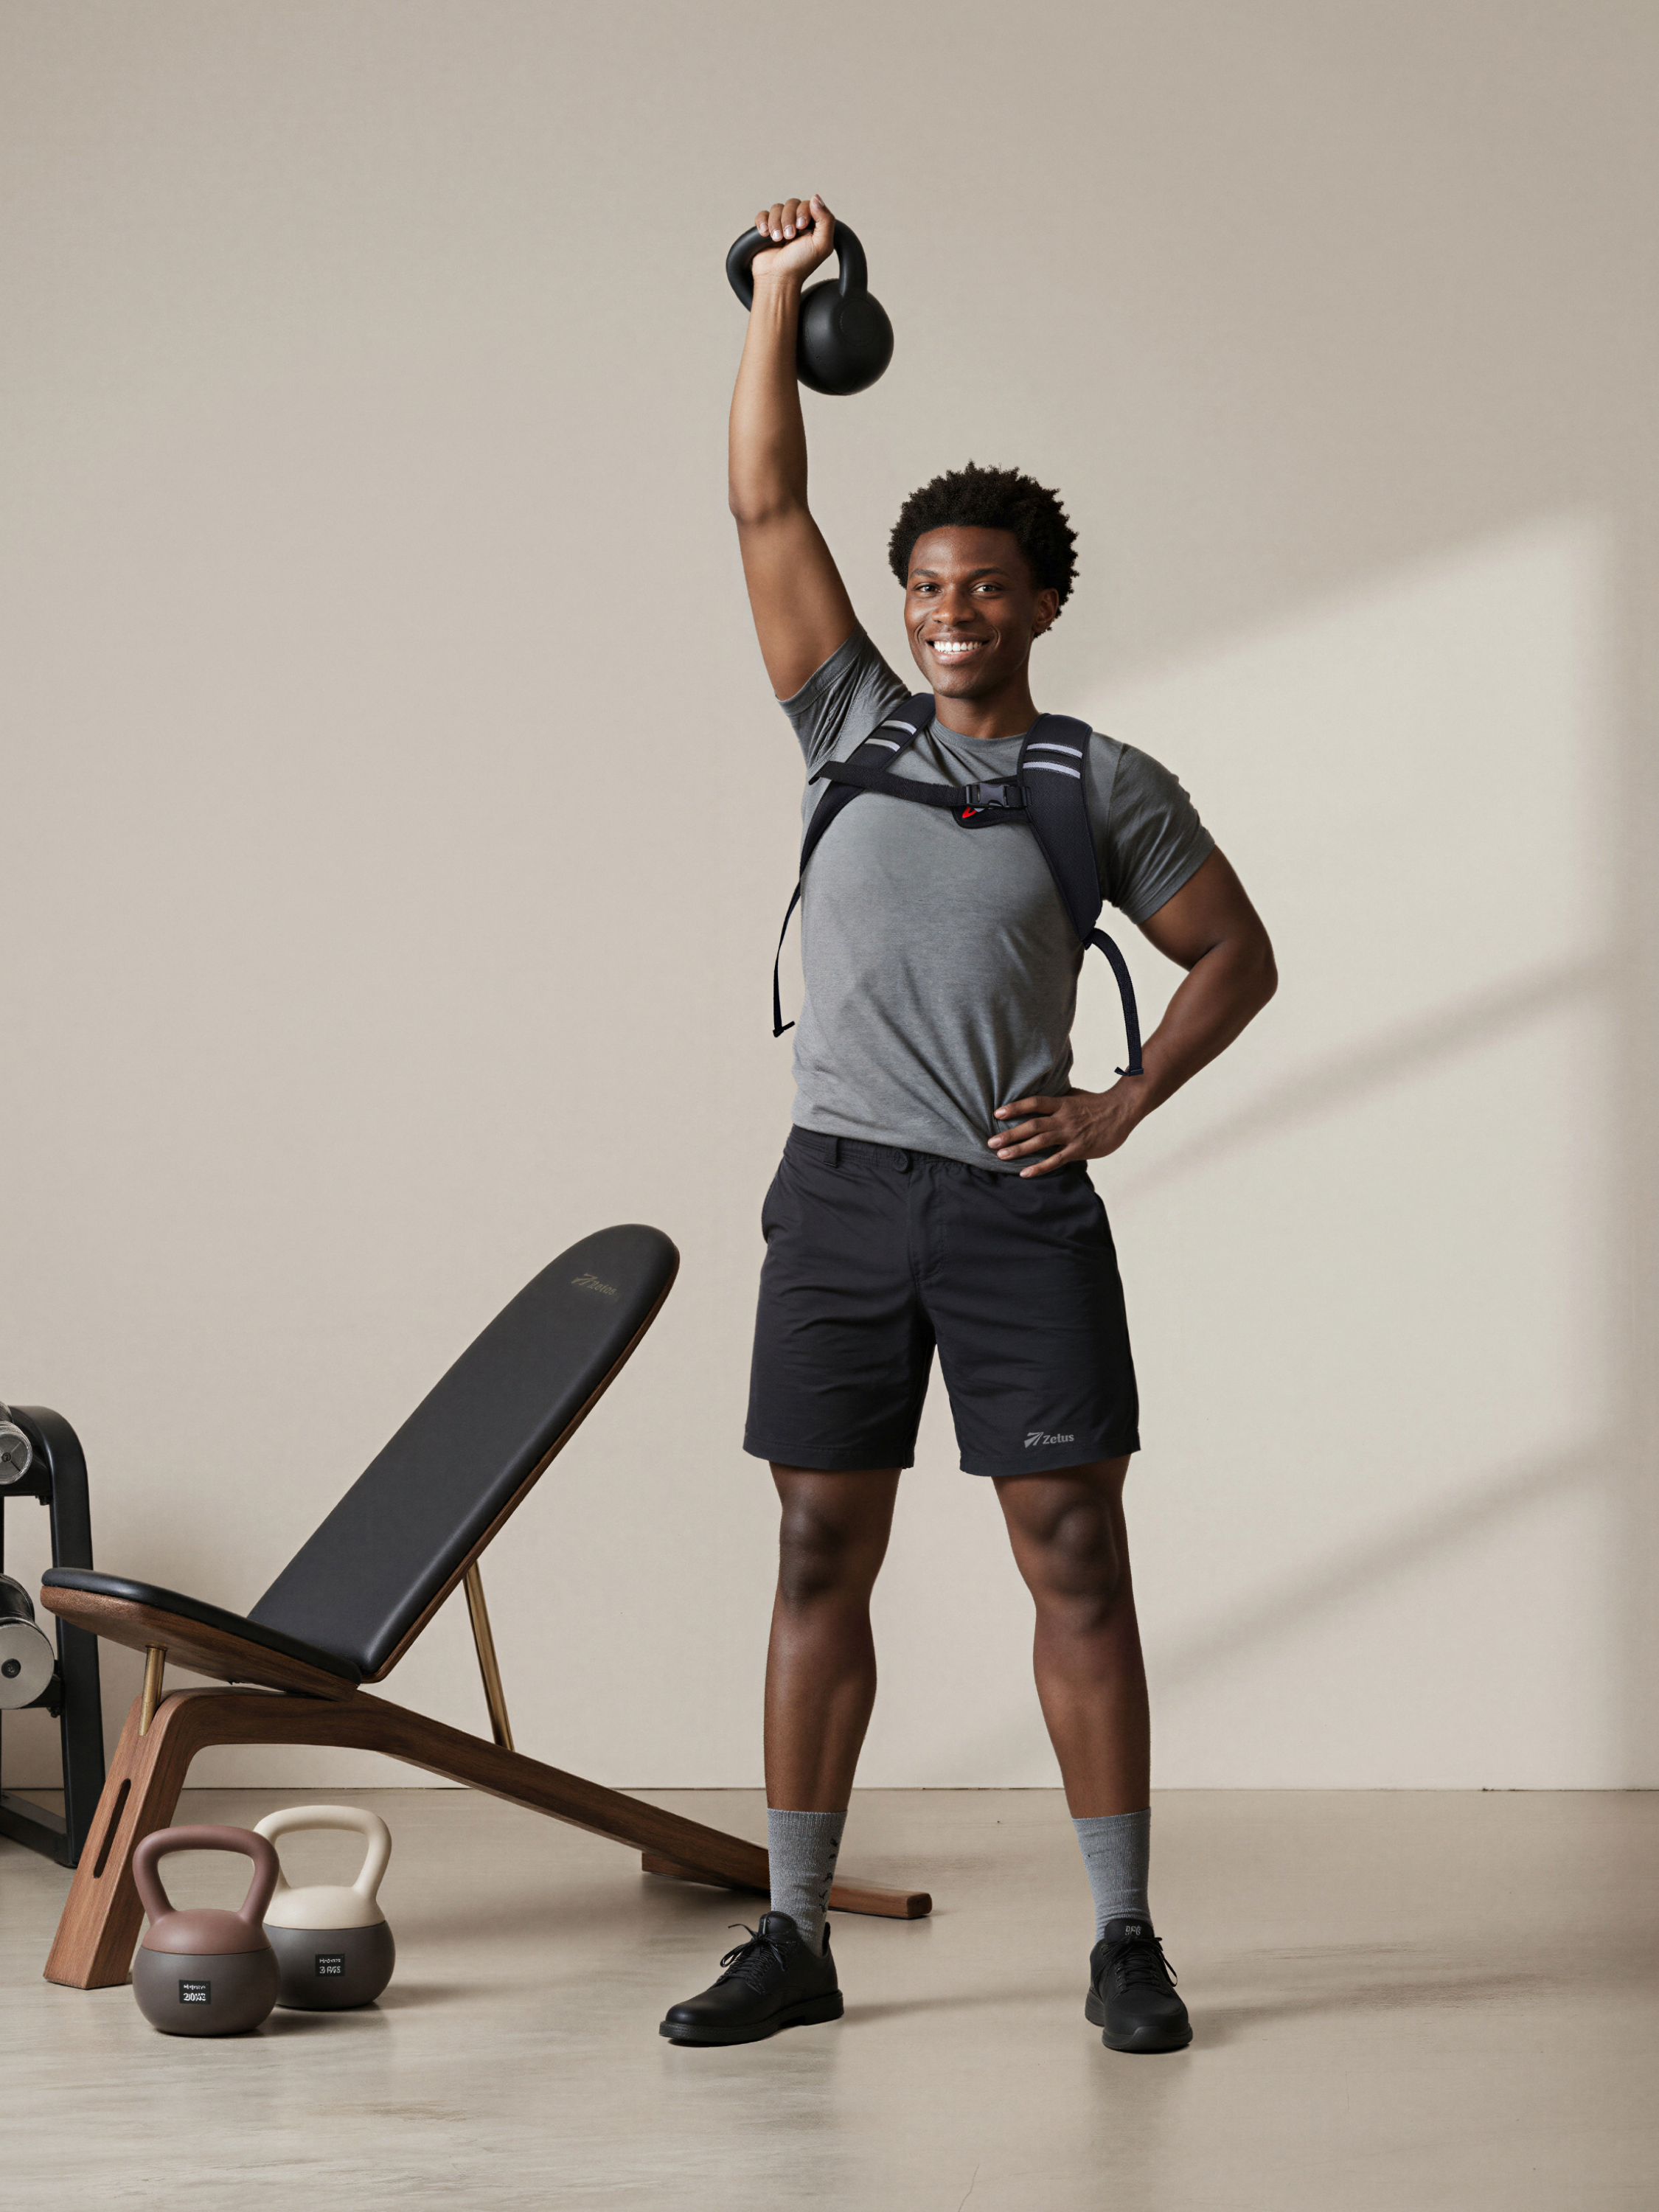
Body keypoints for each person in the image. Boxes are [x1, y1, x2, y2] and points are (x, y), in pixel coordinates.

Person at [660, 195, 1276, 2055]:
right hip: (838, 1198)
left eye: (981, 587)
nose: (945, 614)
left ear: (1041, 602)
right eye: (925, 586)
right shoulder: (846, 720)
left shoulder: (1102, 782)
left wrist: (1126, 1095)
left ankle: (1123, 1939)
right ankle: (791, 1936)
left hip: (1014, 1210)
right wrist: (778, 296)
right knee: (812, 1552)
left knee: (1074, 1555)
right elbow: (772, 505)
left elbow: (1237, 953)